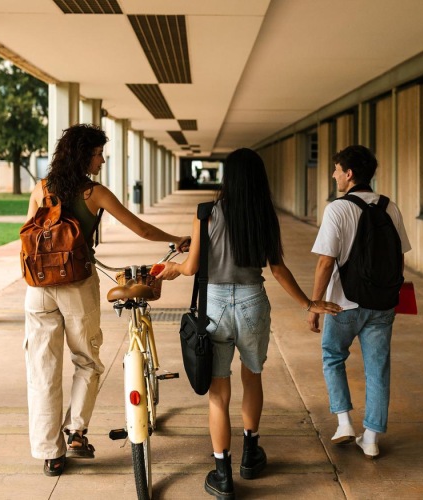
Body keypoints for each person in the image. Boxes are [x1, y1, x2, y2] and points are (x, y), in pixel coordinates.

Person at [157, 148, 341, 498]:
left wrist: (174, 270)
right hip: (253, 302)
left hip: (213, 306)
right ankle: (251, 455)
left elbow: (193, 267)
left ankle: (223, 473)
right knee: (252, 375)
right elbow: (277, 268)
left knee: (218, 390)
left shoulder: (206, 212)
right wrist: (308, 303)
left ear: (228, 178)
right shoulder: (264, 215)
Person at [23, 124, 189, 477]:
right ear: (84, 155)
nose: (102, 159)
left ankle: (50, 454)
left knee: (42, 369)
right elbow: (141, 229)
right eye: (98, 153)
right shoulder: (93, 193)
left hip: (37, 288)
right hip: (76, 285)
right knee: (87, 360)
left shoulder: (40, 189)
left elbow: (28, 234)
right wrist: (178, 238)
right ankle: (76, 432)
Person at [307, 145, 411, 459]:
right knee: (377, 369)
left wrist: (315, 304)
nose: (334, 175)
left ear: (349, 174)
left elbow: (326, 262)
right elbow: (399, 258)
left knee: (333, 357)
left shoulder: (337, 209)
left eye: (337, 169)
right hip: (382, 304)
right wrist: (392, 297)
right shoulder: (390, 207)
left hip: (342, 304)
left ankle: (343, 423)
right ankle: (372, 437)